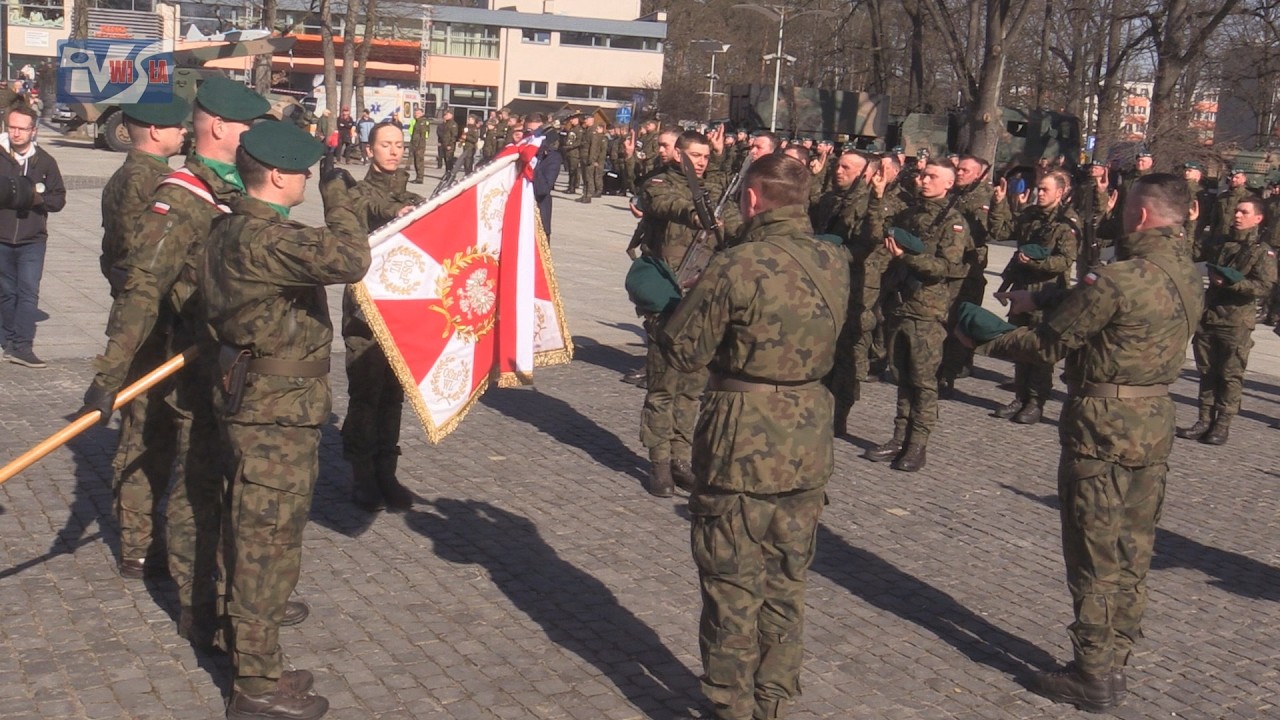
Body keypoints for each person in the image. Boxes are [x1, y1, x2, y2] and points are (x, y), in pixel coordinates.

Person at [79, 78, 311, 648]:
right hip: (189, 362)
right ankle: (198, 602)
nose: (254, 134)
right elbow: (140, 288)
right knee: (198, 485)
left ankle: (248, 597)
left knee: (242, 487)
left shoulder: (233, 191)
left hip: (237, 370)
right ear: (217, 127)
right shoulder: (180, 196)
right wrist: (109, 377)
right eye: (246, 125)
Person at [963, 173, 1203, 714]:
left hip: (1103, 422)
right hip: (1155, 417)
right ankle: (1116, 656)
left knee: (1093, 546)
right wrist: (1043, 294)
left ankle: (1091, 672)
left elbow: (1049, 343)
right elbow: (1103, 302)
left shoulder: (1117, 278)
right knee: (1133, 545)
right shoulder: (1185, 273)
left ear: (1139, 216)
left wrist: (984, 338)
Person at [657, 154, 849, 720]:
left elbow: (685, 350)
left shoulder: (738, 265)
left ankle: (730, 706)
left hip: (742, 440)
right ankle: (772, 701)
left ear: (752, 199)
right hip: (808, 438)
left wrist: (667, 306)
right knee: (787, 579)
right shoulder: (834, 259)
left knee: (731, 584)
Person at [203, 120, 369, 720]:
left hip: (259, 404)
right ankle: (255, 685)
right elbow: (350, 258)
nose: (306, 178)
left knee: (252, 532)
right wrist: (342, 197)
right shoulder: (260, 237)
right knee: (266, 544)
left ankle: (257, 657)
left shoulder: (233, 227)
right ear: (278, 174)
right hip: (274, 414)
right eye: (303, 170)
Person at [95, 97, 189, 578]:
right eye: (177, 126)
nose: (184, 132)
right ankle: (138, 543)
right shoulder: (148, 181)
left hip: (137, 314)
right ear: (154, 131)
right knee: (145, 430)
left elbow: (110, 255)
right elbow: (142, 260)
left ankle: (138, 542)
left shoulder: (123, 176)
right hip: (151, 323)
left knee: (143, 426)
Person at [637, 131, 727, 496]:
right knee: (663, 387)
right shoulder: (659, 182)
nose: (700, 162)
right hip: (668, 297)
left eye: (706, 156)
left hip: (703, 300)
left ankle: (680, 458)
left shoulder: (717, 190)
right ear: (678, 154)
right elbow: (664, 204)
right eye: (694, 155)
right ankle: (659, 462)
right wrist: (696, 213)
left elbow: (735, 221)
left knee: (691, 389)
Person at [864, 161, 969, 471]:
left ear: (949, 184)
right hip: (899, 305)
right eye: (923, 175)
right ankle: (899, 436)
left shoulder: (953, 222)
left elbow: (946, 268)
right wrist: (877, 197)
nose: (924, 180)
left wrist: (908, 258)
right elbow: (876, 233)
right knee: (901, 376)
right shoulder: (909, 213)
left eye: (932, 176)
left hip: (926, 311)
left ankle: (917, 445)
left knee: (922, 381)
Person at [343, 122, 423, 511]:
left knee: (394, 395)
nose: (393, 151)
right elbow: (370, 208)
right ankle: (361, 476)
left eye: (398, 145)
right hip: (365, 309)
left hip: (403, 310)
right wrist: (399, 212)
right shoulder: (355, 194)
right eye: (385, 145)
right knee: (366, 394)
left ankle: (386, 472)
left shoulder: (414, 195)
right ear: (369, 150)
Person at [1177, 197, 1276, 445]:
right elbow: (1190, 252)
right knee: (1207, 371)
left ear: (1258, 218)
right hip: (1210, 316)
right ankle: (1203, 419)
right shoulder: (1221, 243)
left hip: (1236, 321)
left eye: (1244, 212)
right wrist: (1191, 224)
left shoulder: (1262, 251)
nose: (1237, 216)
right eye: (1236, 211)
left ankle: (1222, 424)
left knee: (1230, 374)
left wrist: (1234, 283)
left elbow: (1265, 287)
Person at [992, 169, 1079, 424]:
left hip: (1047, 294)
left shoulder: (1067, 222)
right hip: (1021, 290)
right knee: (1020, 345)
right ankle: (1020, 396)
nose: (1039, 193)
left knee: (1040, 350)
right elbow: (1001, 231)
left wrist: (1036, 262)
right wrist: (999, 204)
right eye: (1039, 188)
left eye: (1045, 190)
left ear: (1060, 193)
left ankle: (1035, 401)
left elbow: (1064, 261)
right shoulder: (1030, 215)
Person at [811, 150, 877, 434]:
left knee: (848, 351)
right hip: (823, 281)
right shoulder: (829, 199)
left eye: (846, 168)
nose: (839, 171)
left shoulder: (868, 204)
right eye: (838, 165)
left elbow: (866, 246)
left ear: (865, 174)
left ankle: (840, 414)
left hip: (853, 284)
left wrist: (833, 254)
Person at [0, 104, 65, 368]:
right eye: (11, 127)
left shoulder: (45, 162)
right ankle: (7, 340)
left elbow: (58, 199)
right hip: (2, 238)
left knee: (28, 293)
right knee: (6, 293)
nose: (16, 133)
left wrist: (36, 198)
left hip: (32, 240)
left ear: (33, 131)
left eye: (22, 128)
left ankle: (22, 346)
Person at [939, 155, 1011, 389]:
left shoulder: (986, 196)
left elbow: (993, 232)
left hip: (969, 266)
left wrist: (998, 205)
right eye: (958, 169)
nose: (959, 173)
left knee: (961, 316)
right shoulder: (954, 194)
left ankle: (955, 366)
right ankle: (949, 363)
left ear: (980, 174)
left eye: (965, 171)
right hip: (949, 264)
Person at [408, 108, 428, 183]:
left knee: (419, 162)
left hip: (419, 146)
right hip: (415, 145)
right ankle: (418, 177)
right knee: (416, 162)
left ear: (422, 114)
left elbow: (422, 136)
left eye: (418, 113)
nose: (416, 114)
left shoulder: (422, 122)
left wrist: (419, 146)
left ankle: (420, 178)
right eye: (415, 113)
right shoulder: (417, 122)